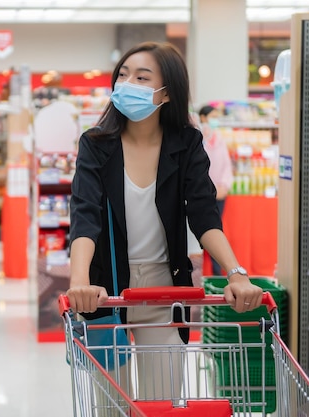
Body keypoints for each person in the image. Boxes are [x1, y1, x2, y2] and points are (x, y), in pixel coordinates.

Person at [66, 42, 262, 401]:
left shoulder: (186, 143)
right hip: (105, 291)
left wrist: (236, 273)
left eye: (141, 77)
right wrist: (79, 283)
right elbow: (85, 215)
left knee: (164, 401)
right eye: (122, 75)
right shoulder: (96, 144)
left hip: (164, 287)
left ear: (166, 93)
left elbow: (204, 215)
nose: (127, 84)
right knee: (112, 406)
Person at [199, 104, 234, 276]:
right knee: (202, 230)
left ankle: (216, 271)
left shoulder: (220, 140)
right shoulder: (198, 139)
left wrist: (224, 186)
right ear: (203, 118)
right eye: (212, 116)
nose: (215, 120)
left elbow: (227, 166)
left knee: (216, 230)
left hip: (220, 194)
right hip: (202, 194)